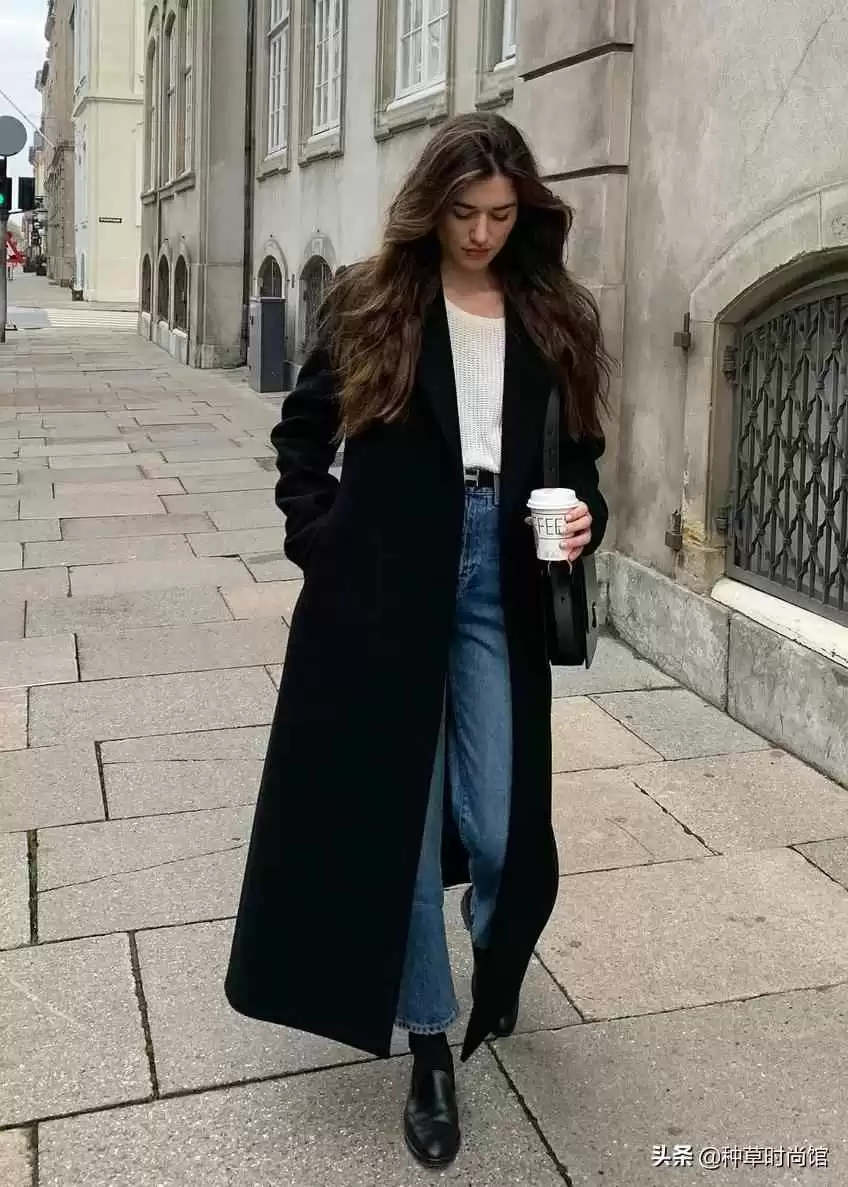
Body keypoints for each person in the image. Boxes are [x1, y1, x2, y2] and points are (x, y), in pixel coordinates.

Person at [225, 111, 610, 1169]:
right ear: (430, 205)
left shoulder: (551, 311)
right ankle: (431, 1042)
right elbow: (302, 439)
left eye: (501, 214)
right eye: (464, 213)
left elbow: (580, 457)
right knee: (397, 815)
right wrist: (324, 542)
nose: (481, 234)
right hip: (384, 582)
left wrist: (583, 517)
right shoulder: (373, 300)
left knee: (501, 829)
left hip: (502, 577)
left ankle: (494, 946)